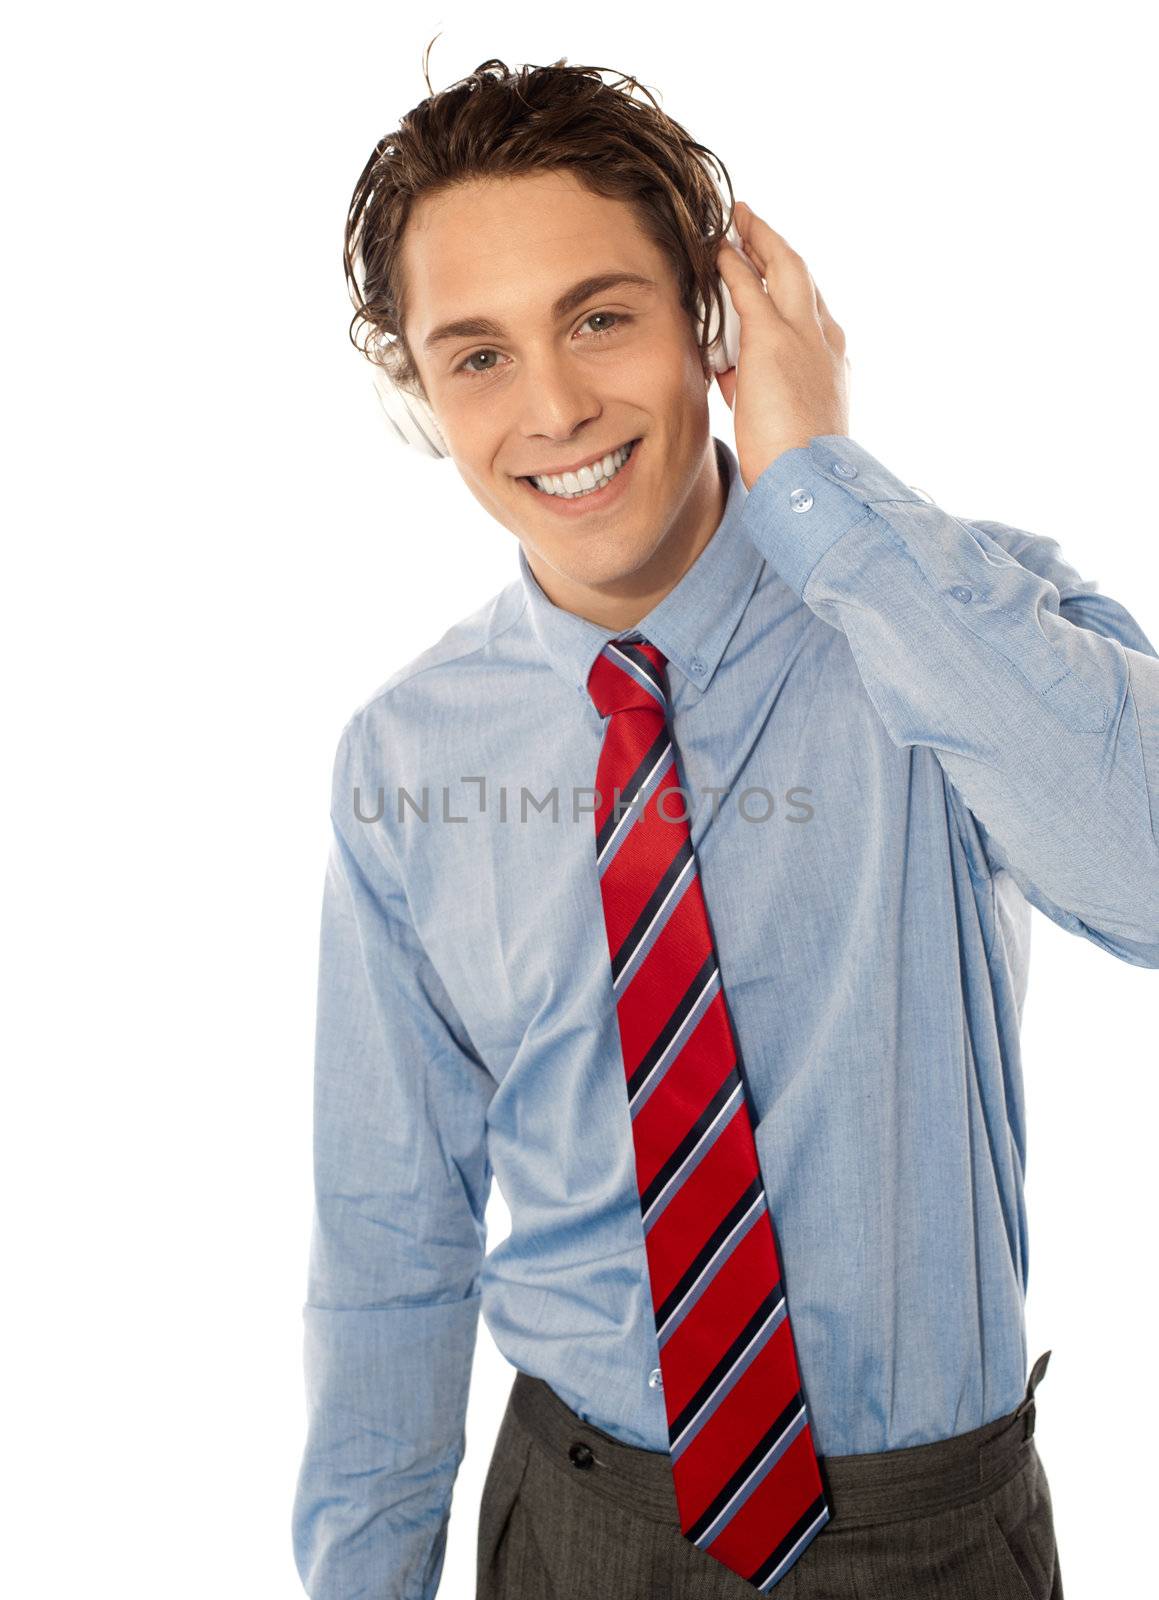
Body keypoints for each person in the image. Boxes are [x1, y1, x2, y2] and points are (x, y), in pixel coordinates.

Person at [291, 55, 1159, 1600]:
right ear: (421, 392)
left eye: (601, 315)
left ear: (715, 316)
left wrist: (817, 474)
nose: (553, 407)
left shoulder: (943, 616)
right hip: (572, 1523)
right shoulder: (410, 755)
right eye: (477, 354)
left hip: (927, 1536)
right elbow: (390, 1241)